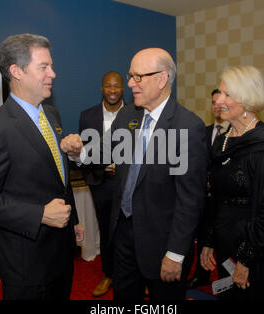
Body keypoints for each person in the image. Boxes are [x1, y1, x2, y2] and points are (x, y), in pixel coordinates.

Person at [61, 48, 208, 300]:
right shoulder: (128, 115)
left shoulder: (188, 127)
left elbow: (190, 200)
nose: (130, 83)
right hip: (124, 234)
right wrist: (78, 153)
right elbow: (106, 151)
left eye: (137, 77)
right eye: (131, 76)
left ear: (162, 79)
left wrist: (175, 254)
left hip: (162, 241)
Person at [0, 33, 84, 300]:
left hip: (61, 252)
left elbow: (55, 176)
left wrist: (72, 219)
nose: (53, 73)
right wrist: (39, 214)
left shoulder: (52, 114)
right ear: (16, 71)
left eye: (51, 65)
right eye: (44, 67)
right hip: (28, 263)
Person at [200, 66, 264, 300]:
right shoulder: (221, 142)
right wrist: (209, 240)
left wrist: (245, 259)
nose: (218, 100)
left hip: (260, 246)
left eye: (227, 95)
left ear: (248, 99)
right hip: (225, 240)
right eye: (219, 93)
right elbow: (215, 198)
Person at [79, 71, 124, 297]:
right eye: (108, 86)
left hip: (129, 183)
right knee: (106, 230)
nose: (113, 90)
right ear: (102, 88)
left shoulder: (137, 114)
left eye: (117, 86)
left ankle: (136, 275)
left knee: (133, 229)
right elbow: (84, 155)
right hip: (102, 183)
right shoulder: (87, 117)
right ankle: (110, 274)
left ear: (123, 88)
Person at [187, 88, 229, 289]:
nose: (216, 106)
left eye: (220, 102)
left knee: (224, 243)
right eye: (213, 102)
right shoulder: (203, 131)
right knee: (203, 237)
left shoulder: (237, 133)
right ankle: (201, 276)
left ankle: (225, 280)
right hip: (204, 198)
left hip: (227, 200)